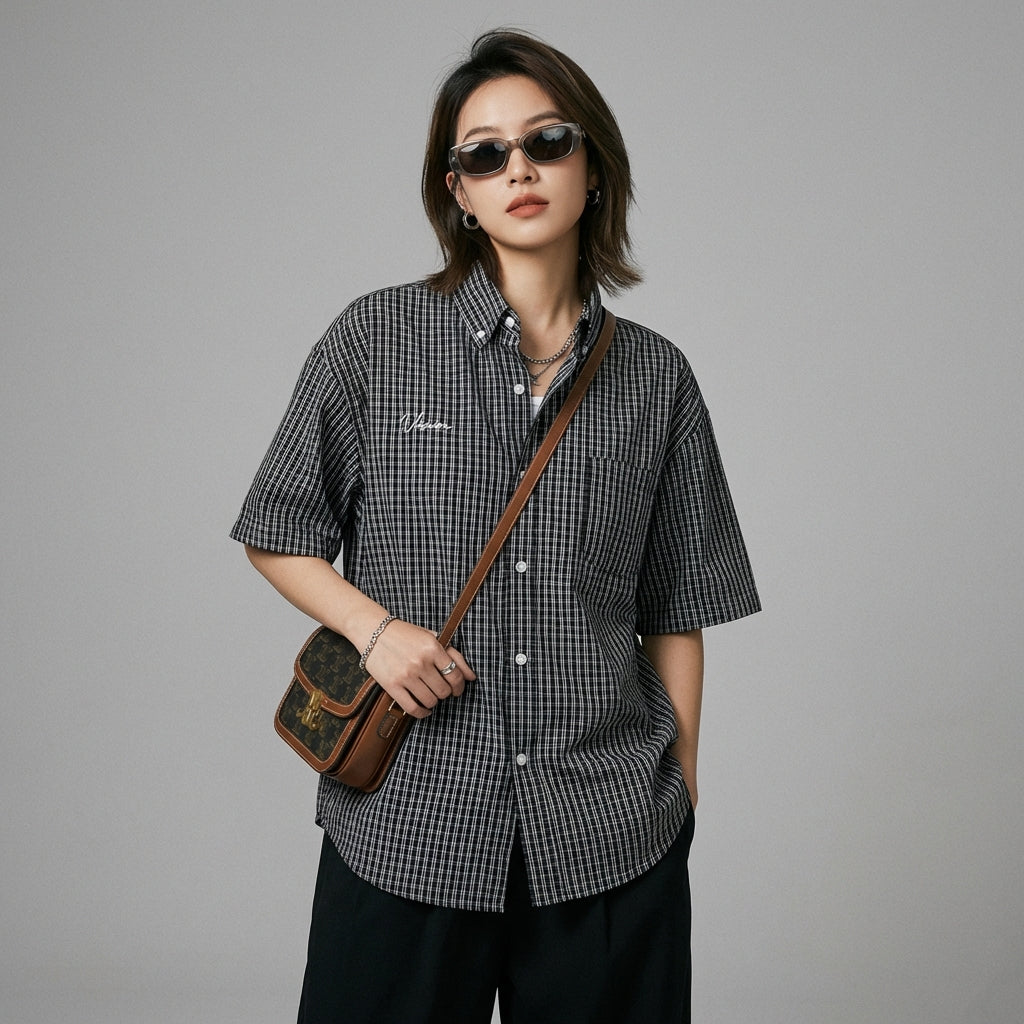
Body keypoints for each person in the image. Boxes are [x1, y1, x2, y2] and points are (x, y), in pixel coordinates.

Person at [231, 28, 760, 1024]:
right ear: (459, 193)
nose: (518, 169)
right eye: (485, 154)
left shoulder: (657, 378)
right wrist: (375, 634)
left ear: (592, 168)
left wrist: (681, 787)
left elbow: (677, 605)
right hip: (408, 822)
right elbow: (277, 525)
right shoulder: (375, 341)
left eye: (547, 142)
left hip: (607, 832)